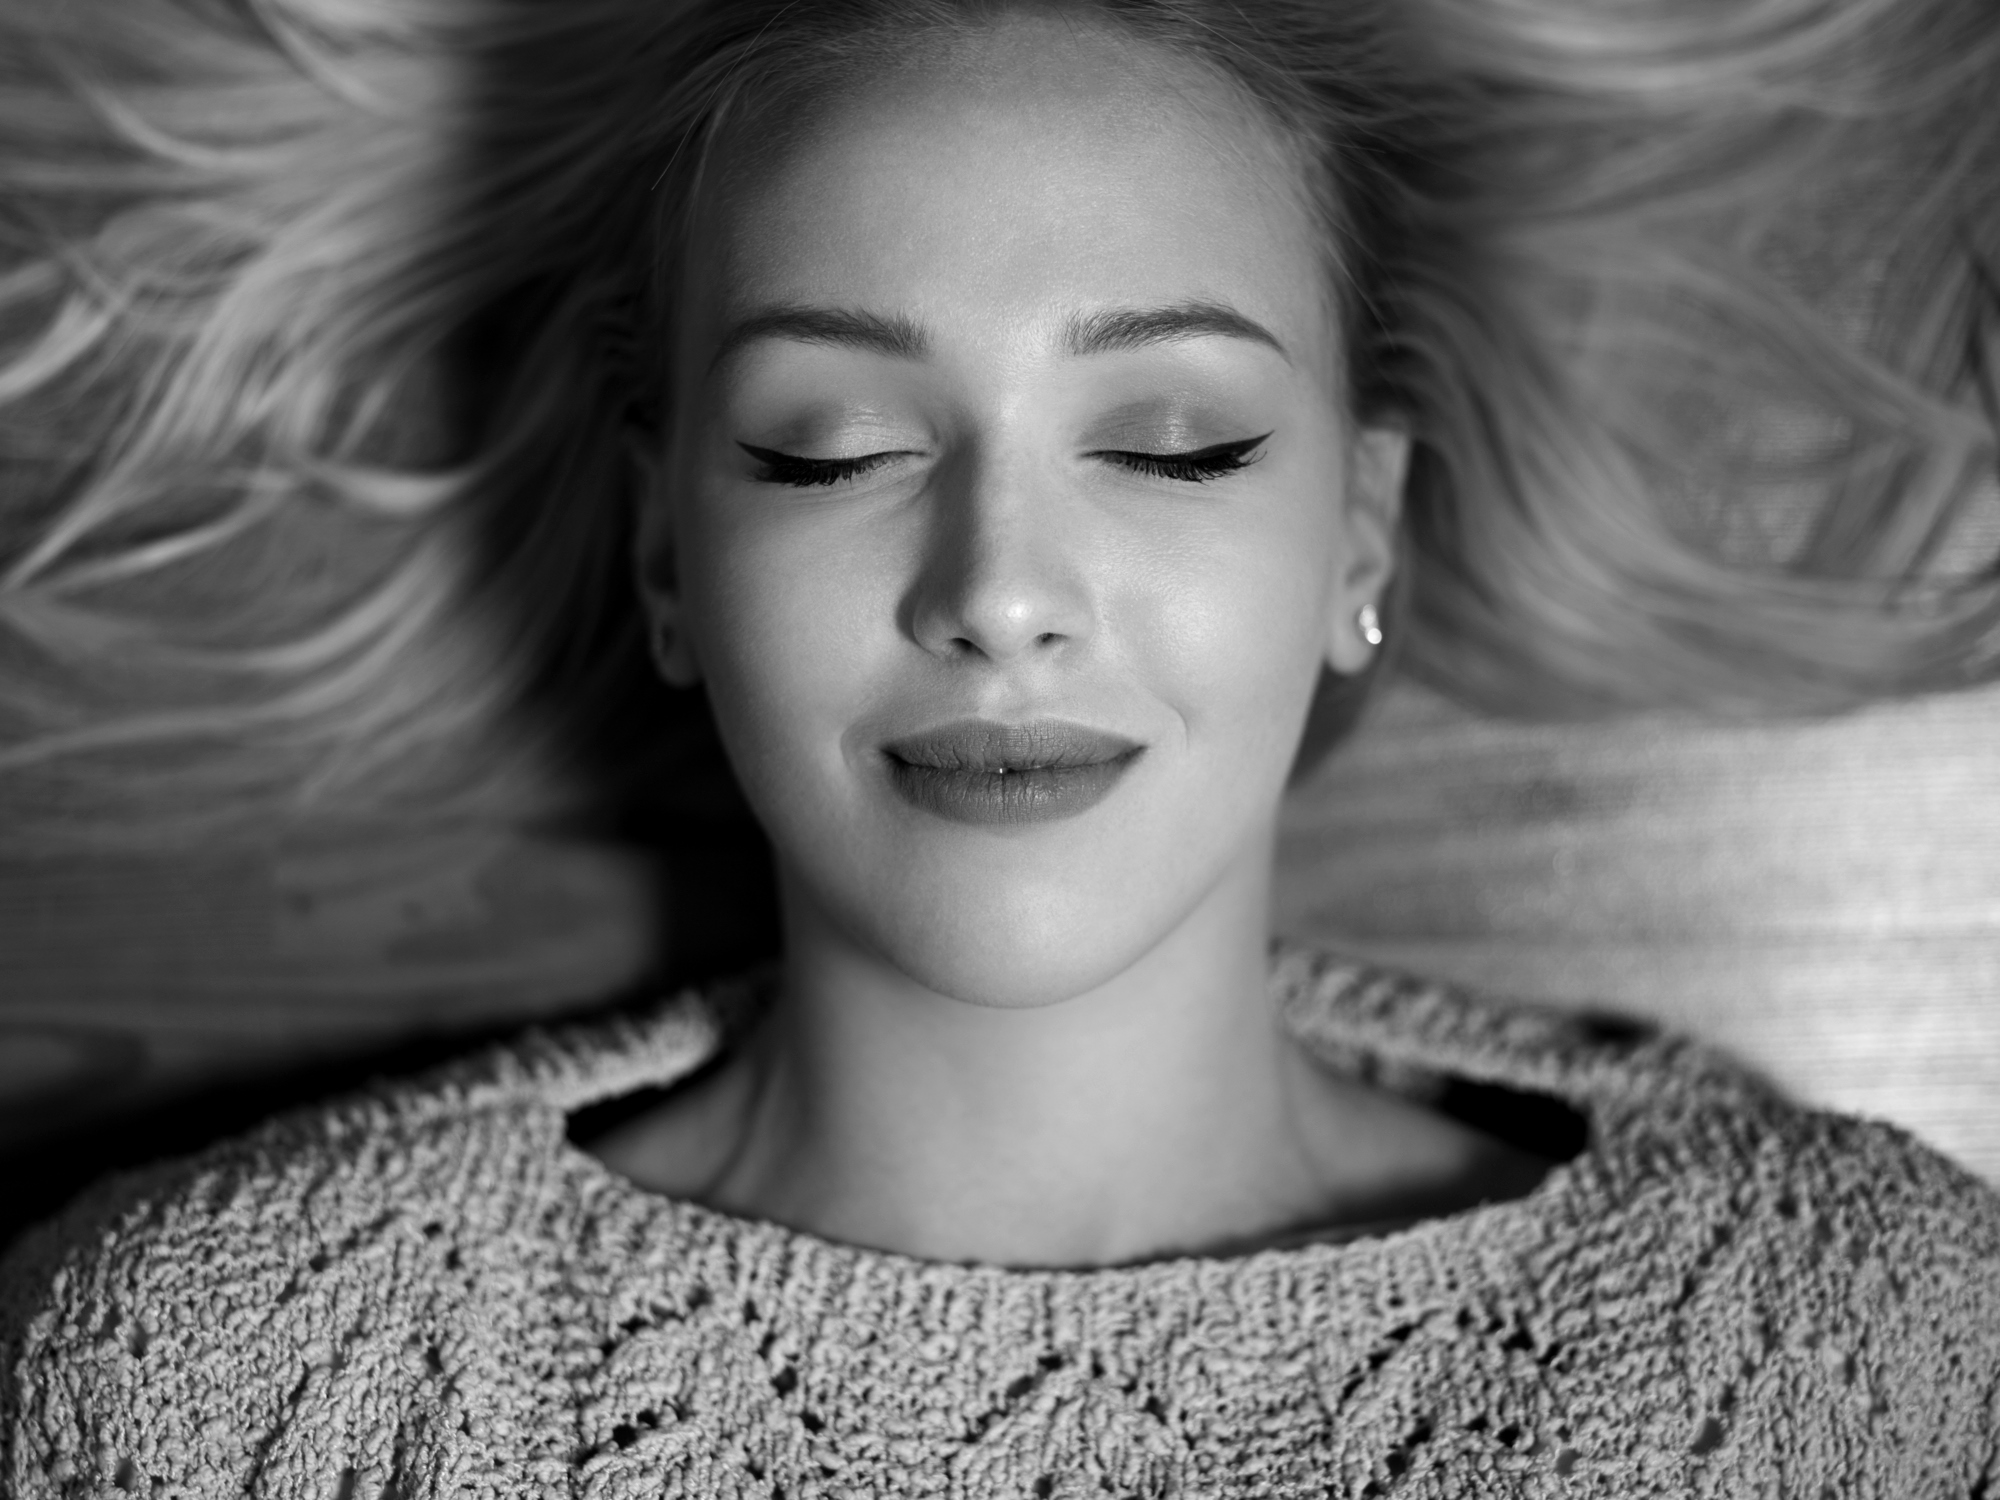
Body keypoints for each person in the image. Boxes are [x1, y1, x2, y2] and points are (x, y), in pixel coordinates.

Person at [2, 0, 1998, 1494]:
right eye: (828, 446)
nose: (1000, 589)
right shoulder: (205, 1386)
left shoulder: (1865, 1341)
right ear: (663, 559)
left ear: (1358, 535)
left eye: (1171, 439)